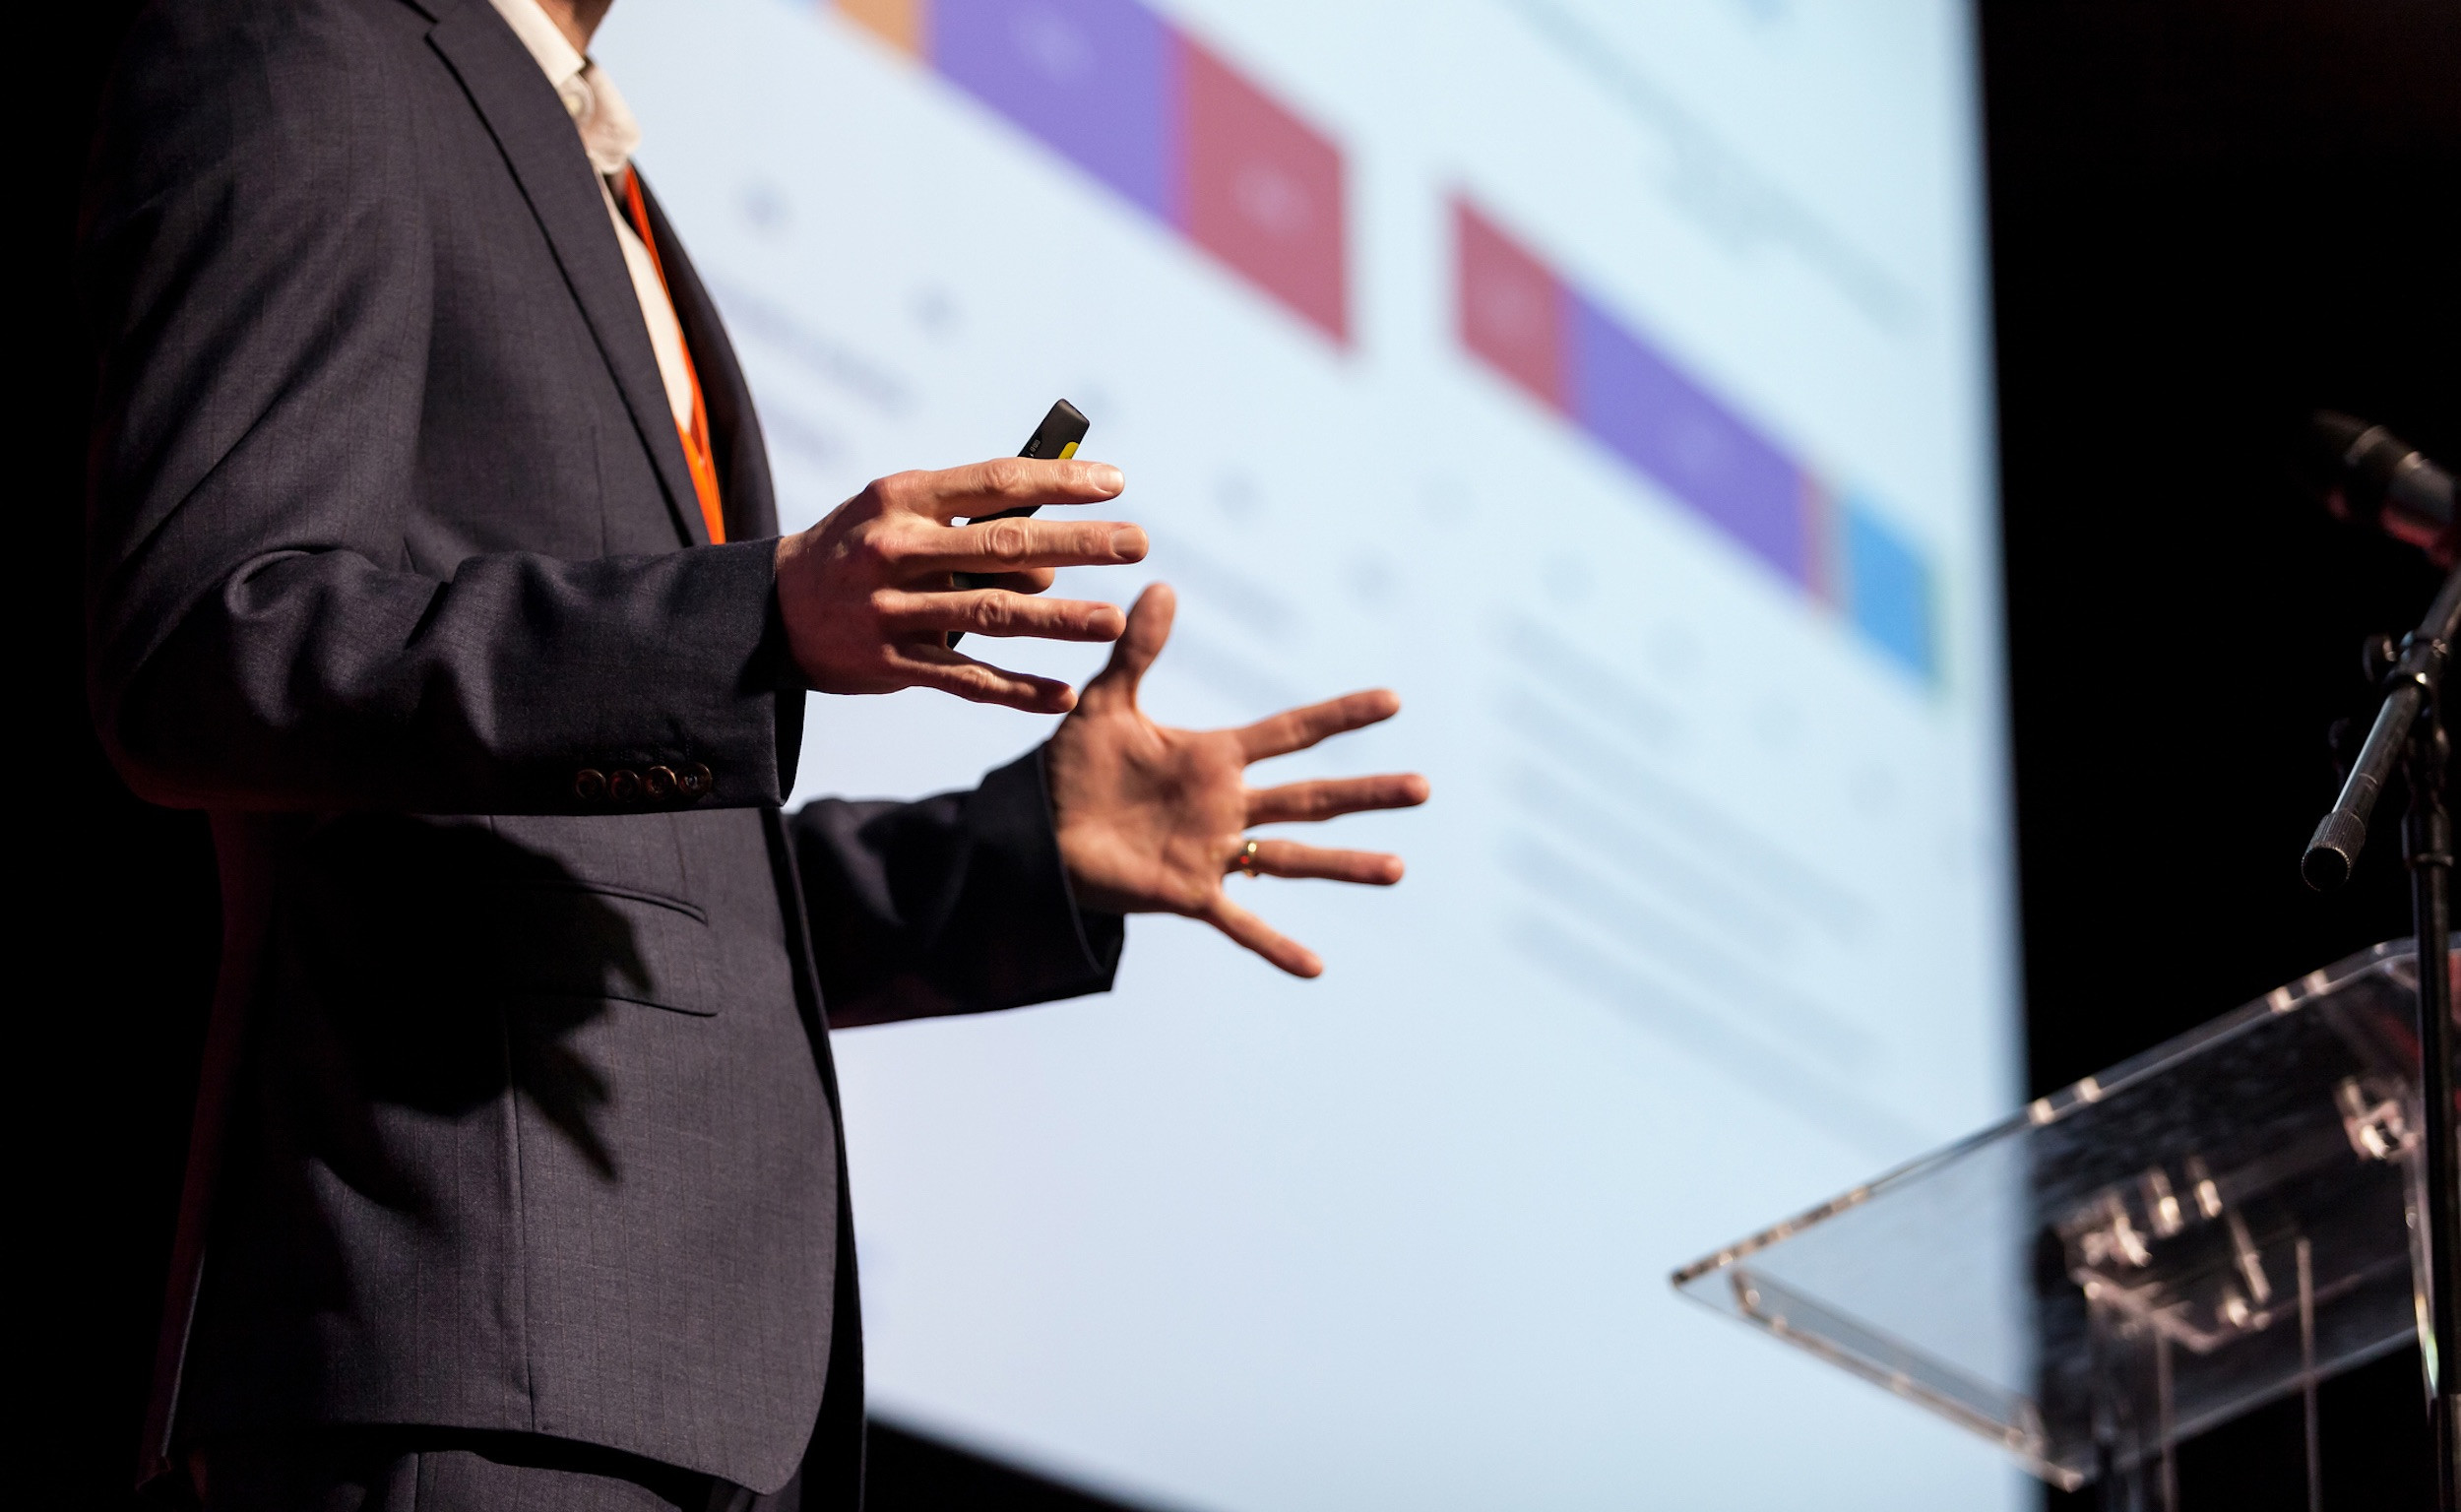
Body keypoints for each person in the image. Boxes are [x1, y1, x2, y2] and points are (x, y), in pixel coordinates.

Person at [78, 0, 1427, 1505]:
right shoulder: (312, 46)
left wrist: (1023, 853)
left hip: (704, 1393)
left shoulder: (600, 168)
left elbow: (650, 896)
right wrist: (756, 614)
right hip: (474, 1342)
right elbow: (212, 643)